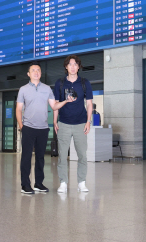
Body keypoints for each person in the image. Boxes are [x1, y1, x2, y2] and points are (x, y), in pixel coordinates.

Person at [15, 62, 72, 195]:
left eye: (38, 70)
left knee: (41, 157)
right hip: (28, 127)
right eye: (33, 70)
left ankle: (38, 183)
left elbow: (54, 106)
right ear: (28, 74)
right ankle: (25, 185)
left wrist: (66, 101)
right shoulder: (23, 89)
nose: (36, 72)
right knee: (26, 157)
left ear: (41, 73)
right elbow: (18, 109)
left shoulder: (47, 89)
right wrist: (21, 125)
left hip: (43, 128)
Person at [53, 55, 93, 194]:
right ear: (66, 66)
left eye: (75, 64)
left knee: (82, 155)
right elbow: (56, 103)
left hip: (80, 123)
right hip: (63, 123)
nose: (73, 67)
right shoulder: (60, 83)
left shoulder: (84, 82)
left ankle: (81, 183)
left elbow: (89, 103)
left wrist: (88, 121)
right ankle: (63, 183)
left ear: (79, 67)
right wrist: (55, 121)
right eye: (70, 64)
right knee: (62, 155)